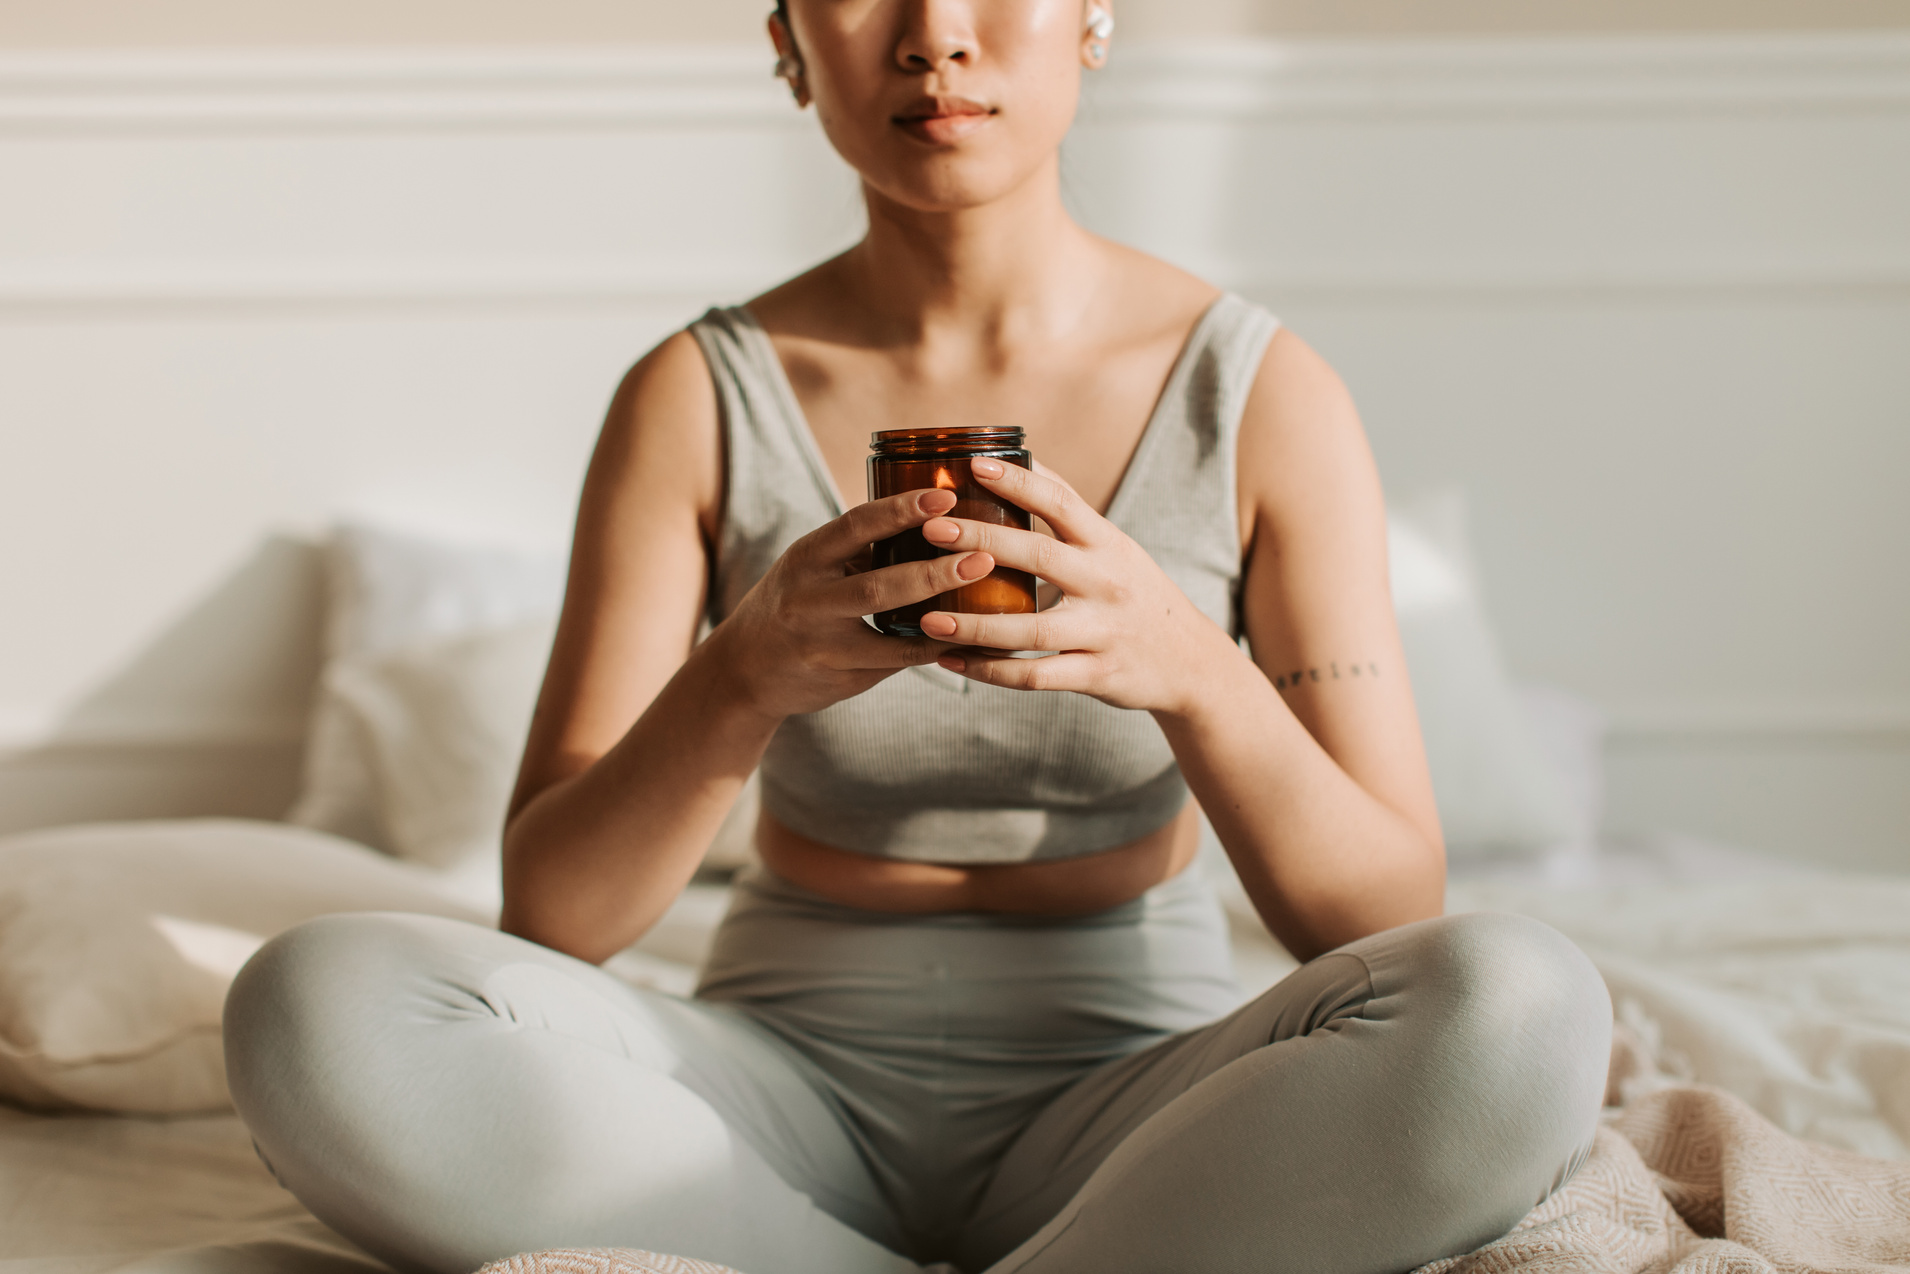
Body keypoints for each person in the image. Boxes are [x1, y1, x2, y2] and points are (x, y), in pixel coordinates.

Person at [223, 3, 1613, 1272]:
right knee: (317, 994)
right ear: (786, 43)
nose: (933, 36)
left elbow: (1381, 920)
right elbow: (556, 917)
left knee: (1519, 1000)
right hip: (769, 1085)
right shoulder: (697, 393)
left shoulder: (1259, 391)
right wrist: (740, 674)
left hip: (1145, 1104)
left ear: (1092, 21)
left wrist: (1189, 666)